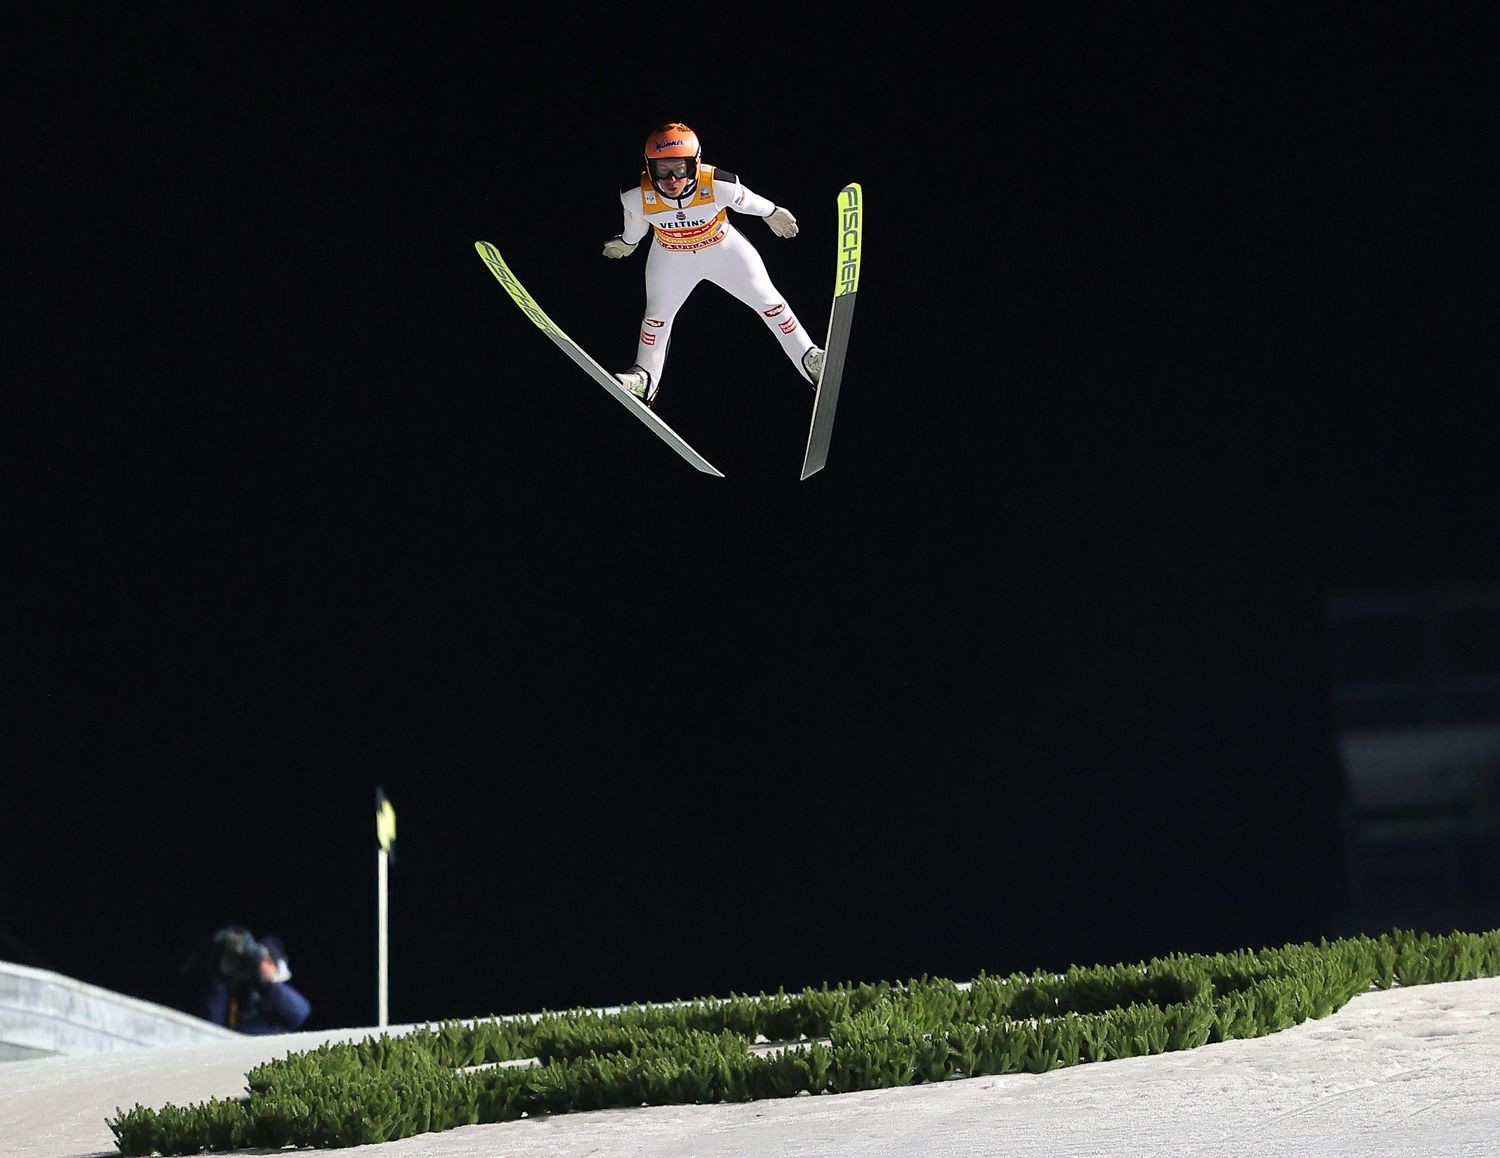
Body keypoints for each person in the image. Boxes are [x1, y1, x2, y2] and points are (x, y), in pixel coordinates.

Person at [603, 122, 824, 406]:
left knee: (770, 302)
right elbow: (635, 227)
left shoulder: (718, 184)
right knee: (656, 317)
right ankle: (644, 377)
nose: (671, 179)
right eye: (662, 169)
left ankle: (809, 358)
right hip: (671, 256)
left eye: (679, 169)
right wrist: (628, 242)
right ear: (649, 167)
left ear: (695, 164)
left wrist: (772, 212)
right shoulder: (635, 194)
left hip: (722, 251)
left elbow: (749, 202)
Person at [195, 925, 312, 1034]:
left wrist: (265, 984)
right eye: (261, 961)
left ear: (277, 967)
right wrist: (219, 981)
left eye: (268, 961)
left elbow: (300, 1013)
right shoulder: (240, 989)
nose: (262, 965)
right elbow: (214, 1025)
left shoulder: (282, 994)